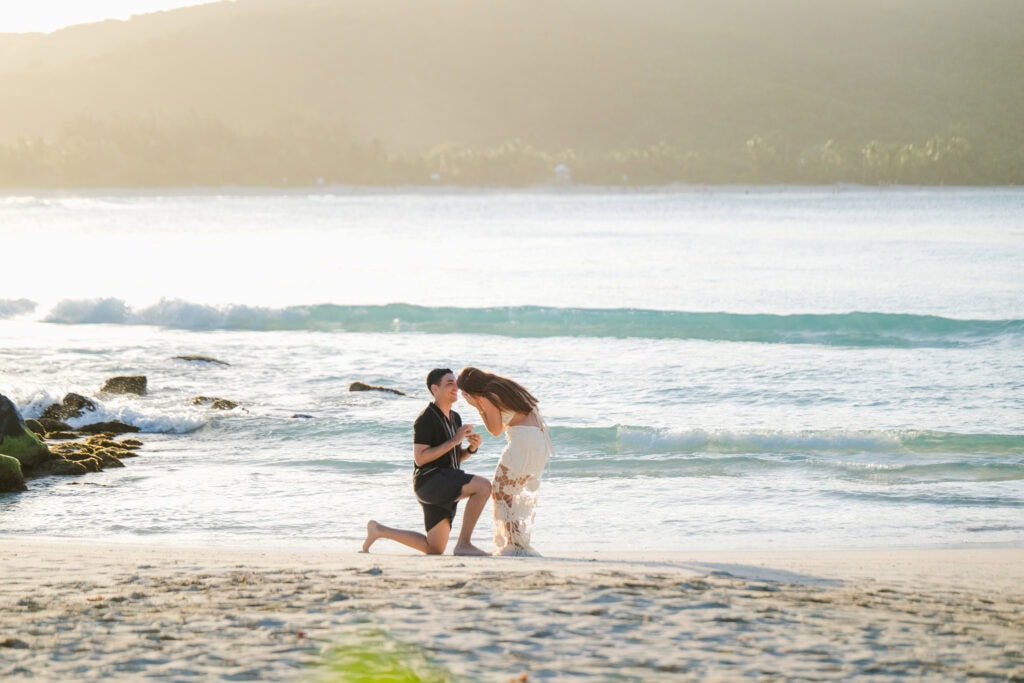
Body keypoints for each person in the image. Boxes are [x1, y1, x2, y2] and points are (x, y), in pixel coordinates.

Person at [362, 368, 491, 556]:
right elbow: (421, 458)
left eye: (456, 383)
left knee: (435, 548)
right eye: (449, 383)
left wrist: (470, 449)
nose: (456, 386)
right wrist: (455, 440)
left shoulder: (455, 418)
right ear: (435, 389)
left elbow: (452, 457)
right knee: (484, 487)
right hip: (430, 482)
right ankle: (464, 544)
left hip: (446, 480)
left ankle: (379, 530)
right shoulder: (425, 419)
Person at [456, 367, 553, 557]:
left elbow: (495, 430)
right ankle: (516, 543)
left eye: (464, 394)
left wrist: (478, 406)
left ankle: (516, 544)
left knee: (501, 492)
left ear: (469, 391)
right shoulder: (503, 386)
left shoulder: (487, 396)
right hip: (538, 442)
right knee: (506, 494)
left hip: (523, 443)